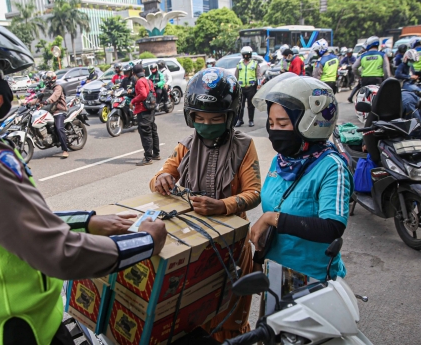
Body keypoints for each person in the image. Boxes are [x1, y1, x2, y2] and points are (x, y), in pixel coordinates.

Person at [0, 9, 167, 345]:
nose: (1, 81)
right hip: (12, 331)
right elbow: (59, 254)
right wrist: (147, 242)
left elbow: (2, 223)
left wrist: (88, 220)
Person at [150, 68, 261, 341]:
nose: (206, 124)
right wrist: (162, 178)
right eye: (199, 118)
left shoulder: (244, 146)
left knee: (232, 317)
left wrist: (221, 206)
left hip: (233, 247)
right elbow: (161, 176)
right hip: (195, 246)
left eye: (215, 119)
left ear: (230, 117)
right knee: (195, 317)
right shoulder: (186, 145)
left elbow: (255, 192)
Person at [251, 73, 352, 282]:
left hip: (313, 279)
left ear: (310, 124)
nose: (274, 130)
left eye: (282, 123)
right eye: (271, 123)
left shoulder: (331, 167)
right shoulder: (282, 161)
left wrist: (271, 218)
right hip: (277, 275)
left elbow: (332, 228)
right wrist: (258, 261)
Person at [30, 71, 69, 159]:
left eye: (47, 79)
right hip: (49, 111)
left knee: (59, 128)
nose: (46, 80)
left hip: (59, 110)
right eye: (45, 79)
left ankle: (65, 150)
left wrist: (47, 101)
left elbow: (54, 96)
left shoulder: (58, 87)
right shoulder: (47, 88)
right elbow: (39, 98)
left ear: (52, 79)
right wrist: (29, 103)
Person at [132, 63, 160, 166]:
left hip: (143, 110)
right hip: (151, 108)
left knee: (145, 133)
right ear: (143, 71)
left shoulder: (139, 81)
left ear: (134, 74)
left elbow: (143, 94)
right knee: (153, 130)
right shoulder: (148, 80)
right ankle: (156, 154)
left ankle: (148, 158)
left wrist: (133, 101)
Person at [235, 46, 259, 127]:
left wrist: (258, 84)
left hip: (251, 87)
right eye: (244, 55)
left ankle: (251, 120)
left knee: (250, 105)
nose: (246, 56)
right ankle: (240, 120)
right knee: (240, 105)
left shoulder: (254, 64)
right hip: (241, 87)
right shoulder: (239, 64)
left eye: (247, 55)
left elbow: (258, 75)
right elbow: (236, 75)